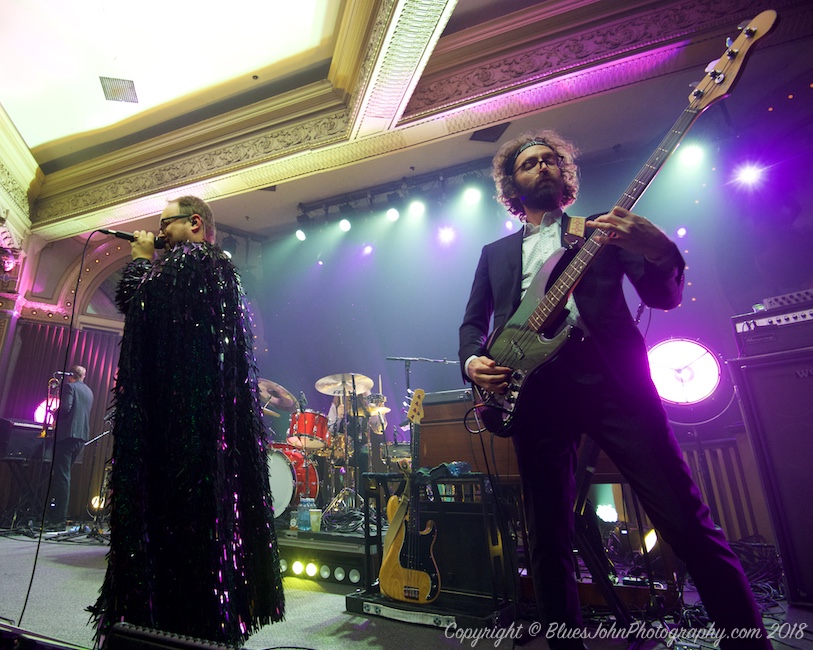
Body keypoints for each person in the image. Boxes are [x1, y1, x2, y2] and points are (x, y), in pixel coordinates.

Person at [458, 131, 769, 648]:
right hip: (534, 394)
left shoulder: (601, 231)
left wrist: (659, 249)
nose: (542, 166)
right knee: (547, 540)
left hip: (613, 383)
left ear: (566, 176)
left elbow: (661, 296)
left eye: (551, 159)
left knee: (684, 521)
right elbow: (472, 323)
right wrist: (472, 361)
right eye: (529, 163)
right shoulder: (494, 253)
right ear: (511, 184)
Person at [91, 196, 284, 645]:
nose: (157, 233)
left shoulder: (195, 262)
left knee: (179, 531)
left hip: (184, 434)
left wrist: (141, 261)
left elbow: (139, 307)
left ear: (194, 223)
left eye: (164, 225)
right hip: (191, 428)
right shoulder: (210, 271)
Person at [46, 364, 93, 529]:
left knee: (62, 477)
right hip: (81, 438)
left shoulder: (69, 387)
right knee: (64, 477)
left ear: (71, 375)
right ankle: (56, 516)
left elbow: (66, 409)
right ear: (83, 376)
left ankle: (58, 520)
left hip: (67, 437)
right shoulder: (89, 391)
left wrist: (53, 412)